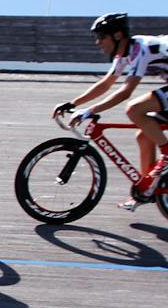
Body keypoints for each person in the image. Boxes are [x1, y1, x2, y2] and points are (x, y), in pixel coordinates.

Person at [56, 12, 168, 206]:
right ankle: (148, 188)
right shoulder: (125, 52)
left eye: (101, 37)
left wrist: (91, 110)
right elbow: (106, 84)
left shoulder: (140, 48)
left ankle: (167, 155)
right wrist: (74, 104)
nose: (97, 42)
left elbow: (126, 91)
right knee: (144, 135)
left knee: (134, 109)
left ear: (117, 36)